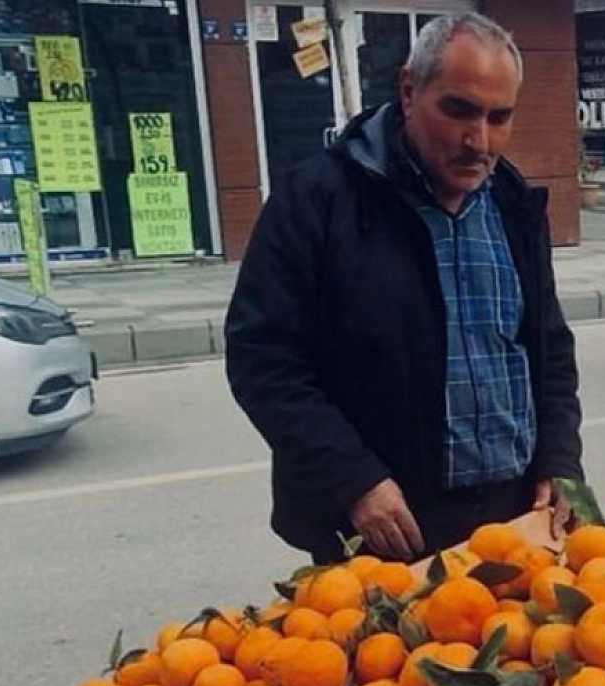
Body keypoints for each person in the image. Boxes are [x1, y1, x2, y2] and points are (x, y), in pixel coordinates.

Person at [225, 13, 583, 564]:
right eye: (459, 110)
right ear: (410, 90)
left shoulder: (513, 204)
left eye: (499, 117)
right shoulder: (318, 200)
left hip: (513, 522)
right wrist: (353, 479)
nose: (478, 141)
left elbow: (549, 350)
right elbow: (264, 360)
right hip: (383, 530)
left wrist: (559, 458)